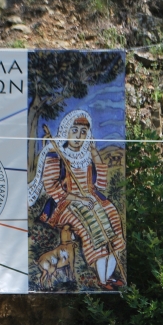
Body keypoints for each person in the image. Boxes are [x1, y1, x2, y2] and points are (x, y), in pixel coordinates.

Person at [28, 109, 125, 290]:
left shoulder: (87, 155)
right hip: (66, 203)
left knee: (111, 213)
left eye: (83, 132)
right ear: (66, 131)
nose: (79, 136)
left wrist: (94, 152)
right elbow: (52, 187)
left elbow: (101, 184)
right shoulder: (56, 154)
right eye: (74, 131)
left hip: (90, 197)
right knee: (90, 225)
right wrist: (79, 199)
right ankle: (102, 279)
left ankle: (109, 275)